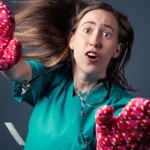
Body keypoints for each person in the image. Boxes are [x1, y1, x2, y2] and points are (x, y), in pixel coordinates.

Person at [1, 0, 147, 149]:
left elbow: (134, 128)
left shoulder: (123, 107)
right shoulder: (52, 76)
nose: (95, 41)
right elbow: (18, 71)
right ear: (72, 39)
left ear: (117, 49)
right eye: (87, 30)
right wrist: (3, 55)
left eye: (106, 34)